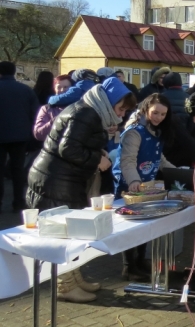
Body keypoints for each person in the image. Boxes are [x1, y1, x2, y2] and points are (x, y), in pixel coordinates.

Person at [27, 77, 137, 301]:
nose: (122, 114)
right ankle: (65, 286)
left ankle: (74, 278)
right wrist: (97, 159)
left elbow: (76, 145)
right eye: (121, 108)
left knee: (71, 233)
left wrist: (99, 154)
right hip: (55, 182)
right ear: (109, 101)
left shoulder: (88, 111)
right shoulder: (85, 113)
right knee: (62, 237)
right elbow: (68, 149)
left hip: (63, 181)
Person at [112, 93, 176, 279]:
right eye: (155, 113)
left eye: (163, 114)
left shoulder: (156, 132)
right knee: (130, 227)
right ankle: (129, 266)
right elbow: (127, 161)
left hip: (147, 188)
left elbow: (160, 159)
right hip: (128, 189)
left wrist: (179, 171)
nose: (159, 118)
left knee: (144, 225)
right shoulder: (134, 132)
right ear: (146, 110)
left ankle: (140, 261)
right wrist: (133, 181)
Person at [0, 61, 40, 212]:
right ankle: (18, 202)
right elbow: (35, 113)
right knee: (18, 170)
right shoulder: (26, 90)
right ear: (14, 72)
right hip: (20, 136)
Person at [33, 74, 74, 142]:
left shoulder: (78, 107)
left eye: (66, 87)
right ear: (54, 88)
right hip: (52, 147)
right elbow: (39, 134)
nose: (62, 90)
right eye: (58, 87)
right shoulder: (47, 108)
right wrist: (57, 119)